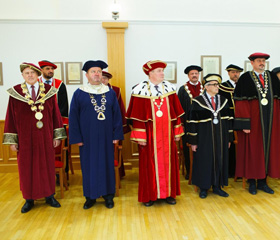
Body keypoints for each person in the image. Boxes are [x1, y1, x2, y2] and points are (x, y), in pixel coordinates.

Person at [2, 62, 66, 213]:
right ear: (23, 76)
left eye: (32, 73)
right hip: (24, 138)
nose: (30, 75)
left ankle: (49, 195)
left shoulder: (49, 91)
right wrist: (13, 140)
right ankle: (29, 199)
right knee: (26, 167)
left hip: (45, 136)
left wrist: (57, 135)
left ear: (38, 75)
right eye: (26, 73)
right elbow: (10, 117)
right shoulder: (16, 92)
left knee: (46, 165)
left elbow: (55, 115)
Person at [126, 60, 184, 207]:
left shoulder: (170, 89)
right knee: (148, 166)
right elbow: (137, 118)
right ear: (150, 73)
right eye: (159, 71)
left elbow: (176, 114)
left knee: (169, 163)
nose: (162, 73)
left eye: (162, 71)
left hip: (167, 136)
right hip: (150, 137)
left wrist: (177, 132)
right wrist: (141, 137)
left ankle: (169, 194)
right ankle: (150, 196)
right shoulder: (140, 91)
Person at [69, 60, 123, 209]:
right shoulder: (79, 93)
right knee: (89, 166)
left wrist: (116, 135)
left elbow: (117, 115)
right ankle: (90, 197)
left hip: (107, 137)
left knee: (107, 165)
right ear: (87, 75)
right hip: (87, 138)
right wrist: (77, 138)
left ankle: (108, 196)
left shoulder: (109, 92)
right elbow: (73, 116)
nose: (97, 74)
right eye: (93, 71)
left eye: (99, 71)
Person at [234, 52, 280, 195]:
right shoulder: (245, 78)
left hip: (270, 121)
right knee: (253, 150)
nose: (261, 63)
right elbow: (241, 103)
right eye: (259, 61)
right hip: (253, 123)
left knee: (268, 150)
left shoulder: (272, 77)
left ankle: (263, 182)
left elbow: (277, 101)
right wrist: (245, 124)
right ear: (252, 63)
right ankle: (252, 182)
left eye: (263, 61)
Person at [188, 74, 233, 199]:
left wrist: (229, 139)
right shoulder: (197, 102)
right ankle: (204, 187)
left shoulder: (223, 101)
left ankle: (217, 186)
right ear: (207, 87)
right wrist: (193, 142)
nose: (217, 87)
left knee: (220, 159)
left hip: (221, 138)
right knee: (204, 161)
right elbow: (192, 123)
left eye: (217, 84)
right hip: (204, 139)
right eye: (214, 85)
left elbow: (229, 121)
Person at [102, 71, 130, 178]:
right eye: (102, 78)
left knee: (115, 151)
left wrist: (122, 127)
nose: (103, 80)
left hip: (113, 127)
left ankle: (118, 174)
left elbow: (121, 109)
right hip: (99, 127)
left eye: (105, 78)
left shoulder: (115, 90)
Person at [178, 65, 203, 180]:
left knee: (203, 147)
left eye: (196, 73)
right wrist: (181, 124)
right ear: (188, 75)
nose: (194, 75)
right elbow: (179, 109)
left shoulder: (205, 87)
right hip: (188, 125)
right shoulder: (183, 90)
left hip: (203, 124)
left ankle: (202, 171)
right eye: (192, 74)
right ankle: (190, 171)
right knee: (189, 149)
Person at [219, 64, 243, 178]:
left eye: (237, 72)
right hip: (229, 120)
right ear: (228, 73)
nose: (235, 74)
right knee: (230, 145)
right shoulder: (222, 87)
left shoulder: (244, 86)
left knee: (242, 145)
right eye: (233, 72)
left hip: (242, 120)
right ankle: (230, 171)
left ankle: (241, 171)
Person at [38, 60, 69, 125]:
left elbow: (63, 105)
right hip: (39, 119)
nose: (51, 71)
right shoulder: (36, 84)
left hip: (56, 120)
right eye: (47, 69)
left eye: (52, 69)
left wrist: (58, 119)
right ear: (41, 70)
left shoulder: (60, 84)